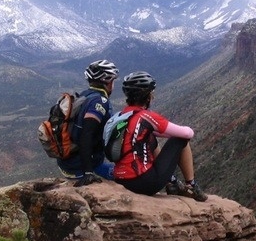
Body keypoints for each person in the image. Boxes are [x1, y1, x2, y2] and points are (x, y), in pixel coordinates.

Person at [113, 71, 208, 201]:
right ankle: (191, 185)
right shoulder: (146, 116)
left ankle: (172, 183)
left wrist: (155, 130)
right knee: (180, 139)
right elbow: (187, 133)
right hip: (144, 182)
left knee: (149, 136)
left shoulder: (121, 116)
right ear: (148, 96)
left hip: (121, 179)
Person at [57, 59, 119, 187]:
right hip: (82, 166)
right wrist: (88, 172)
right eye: (113, 81)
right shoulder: (99, 102)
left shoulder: (85, 95)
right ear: (108, 82)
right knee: (127, 176)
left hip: (68, 162)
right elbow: (86, 135)